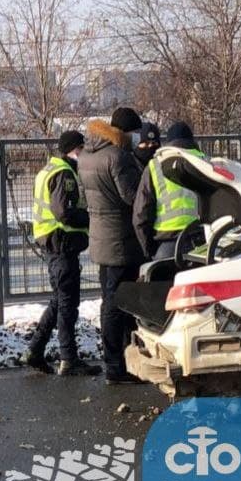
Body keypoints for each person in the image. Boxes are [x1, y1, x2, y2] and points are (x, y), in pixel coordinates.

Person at [23, 131, 100, 376]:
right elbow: (64, 212)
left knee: (59, 301)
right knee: (68, 303)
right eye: (82, 148)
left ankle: (35, 351)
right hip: (62, 242)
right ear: (73, 150)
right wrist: (92, 218)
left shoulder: (48, 169)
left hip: (53, 243)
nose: (84, 153)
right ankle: (69, 358)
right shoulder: (63, 173)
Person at [80, 107, 147, 384]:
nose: (136, 139)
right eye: (134, 133)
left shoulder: (87, 155)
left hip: (100, 238)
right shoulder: (118, 157)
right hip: (121, 240)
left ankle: (114, 362)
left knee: (110, 301)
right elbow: (133, 197)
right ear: (125, 132)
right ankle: (118, 366)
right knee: (120, 304)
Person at [133, 121, 207, 260]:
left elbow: (141, 214)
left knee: (164, 282)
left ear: (168, 143)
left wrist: (148, 249)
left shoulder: (155, 166)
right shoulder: (206, 162)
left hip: (167, 243)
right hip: (201, 242)